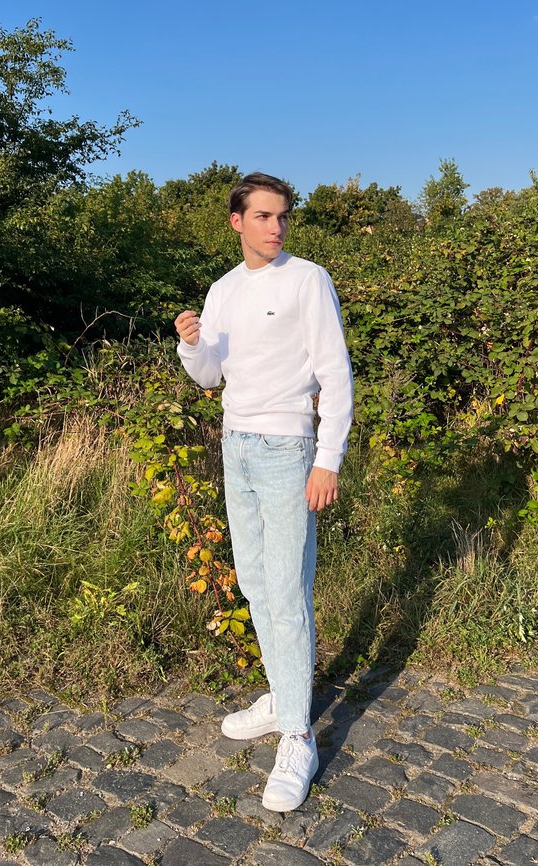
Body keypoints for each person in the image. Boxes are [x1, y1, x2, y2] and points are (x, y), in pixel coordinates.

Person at [175, 172, 353, 812]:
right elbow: (209, 377)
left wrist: (326, 459)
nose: (276, 228)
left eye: (282, 217)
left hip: (288, 450)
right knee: (254, 582)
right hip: (237, 446)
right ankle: (282, 695)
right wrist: (191, 344)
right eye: (263, 217)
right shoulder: (223, 290)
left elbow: (335, 373)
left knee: (286, 590)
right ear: (237, 221)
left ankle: (299, 736)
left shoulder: (308, 280)